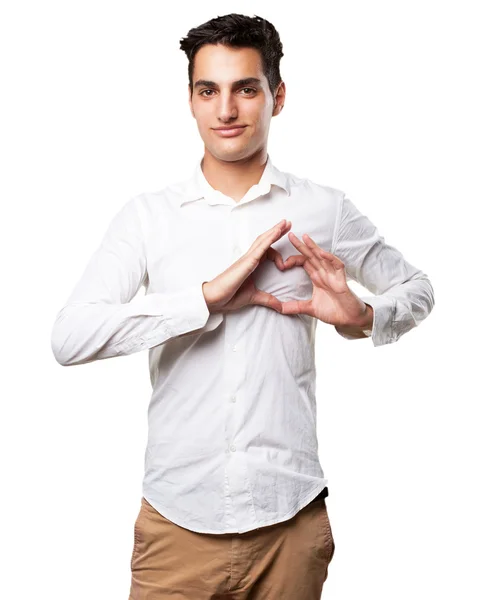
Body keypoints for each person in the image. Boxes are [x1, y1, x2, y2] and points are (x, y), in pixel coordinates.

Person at [50, 12, 435, 600]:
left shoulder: (323, 210)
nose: (225, 110)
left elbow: (417, 289)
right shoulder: (147, 218)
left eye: (245, 89)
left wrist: (363, 317)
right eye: (209, 90)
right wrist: (203, 299)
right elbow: (70, 337)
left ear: (277, 97)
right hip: (176, 527)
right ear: (191, 100)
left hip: (291, 525)